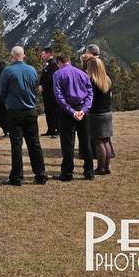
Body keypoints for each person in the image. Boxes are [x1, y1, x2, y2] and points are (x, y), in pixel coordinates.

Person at [0, 46, 47, 186]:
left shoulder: (7, 71)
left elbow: (1, 91)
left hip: (14, 111)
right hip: (30, 110)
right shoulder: (32, 70)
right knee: (34, 143)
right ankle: (40, 174)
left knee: (16, 144)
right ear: (23, 55)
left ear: (12, 56)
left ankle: (17, 176)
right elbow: (35, 87)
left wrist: (8, 102)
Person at [52, 53, 95, 181]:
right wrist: (84, 109)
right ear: (69, 60)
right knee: (85, 141)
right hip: (82, 110)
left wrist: (71, 111)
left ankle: (67, 173)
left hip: (67, 111)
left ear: (59, 62)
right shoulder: (82, 73)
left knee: (67, 143)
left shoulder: (58, 74)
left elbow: (59, 96)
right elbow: (90, 93)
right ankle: (89, 171)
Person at [86, 57, 115, 175]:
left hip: (96, 114)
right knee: (106, 140)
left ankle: (100, 168)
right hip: (107, 113)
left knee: (98, 142)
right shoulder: (107, 80)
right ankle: (107, 167)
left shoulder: (92, 81)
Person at [38, 46, 59, 137]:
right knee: (48, 111)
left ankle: (58, 129)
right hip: (46, 92)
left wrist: (44, 86)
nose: (42, 55)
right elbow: (43, 76)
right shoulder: (46, 64)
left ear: (49, 54)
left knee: (54, 111)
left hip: (51, 92)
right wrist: (40, 84)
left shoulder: (53, 64)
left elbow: (51, 78)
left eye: (43, 54)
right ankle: (50, 129)